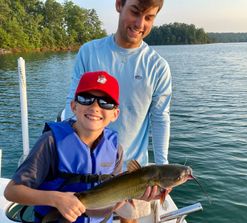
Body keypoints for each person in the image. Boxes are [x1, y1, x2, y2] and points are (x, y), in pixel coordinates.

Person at [65, 0, 171, 171]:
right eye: (135, 12)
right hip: (86, 167)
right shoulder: (89, 52)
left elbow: (160, 118)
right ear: (119, 5)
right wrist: (65, 153)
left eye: (149, 17)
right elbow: (72, 102)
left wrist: (162, 168)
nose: (140, 24)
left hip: (133, 173)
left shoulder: (158, 67)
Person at [4, 71, 124, 223]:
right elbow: (12, 192)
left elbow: (117, 197)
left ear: (115, 114)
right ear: (73, 106)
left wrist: (140, 193)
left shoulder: (115, 149)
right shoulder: (51, 142)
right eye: (86, 99)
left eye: (106, 102)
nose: (95, 107)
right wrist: (56, 199)